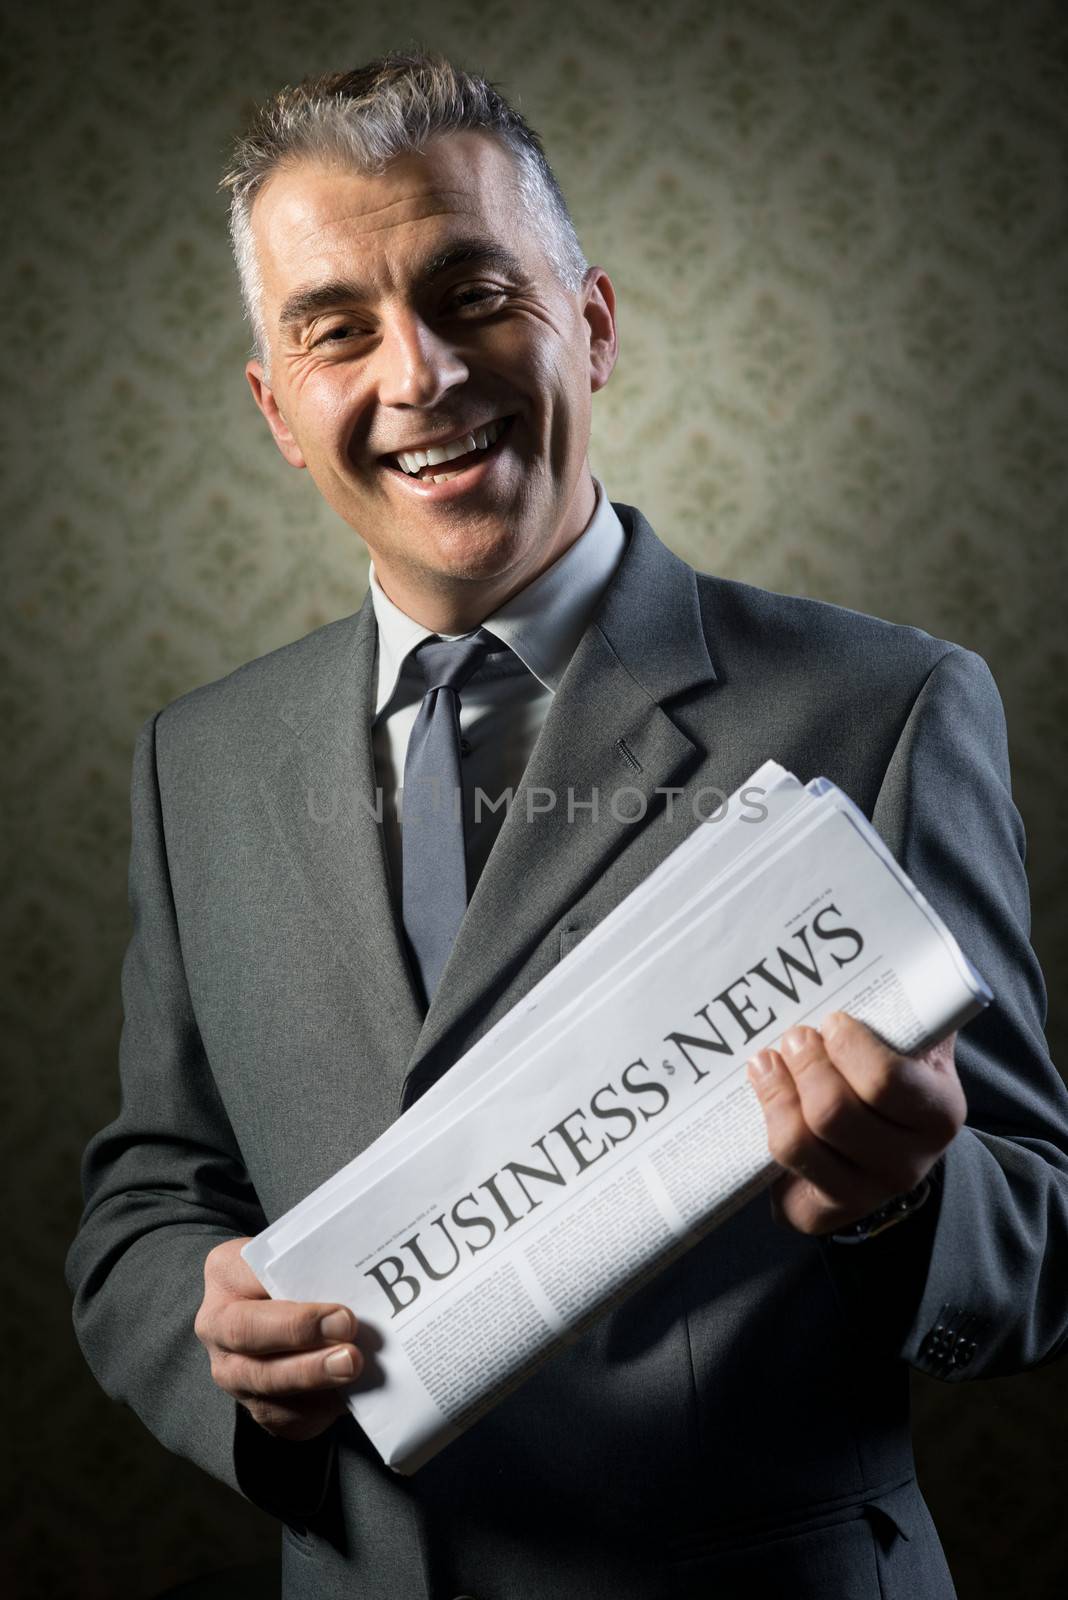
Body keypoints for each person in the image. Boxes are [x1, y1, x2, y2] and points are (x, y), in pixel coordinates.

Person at [67, 52, 1068, 1600]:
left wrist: (911, 1202)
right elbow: (151, 1196)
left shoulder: (888, 705)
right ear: (277, 406)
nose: (420, 375)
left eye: (473, 294)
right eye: (338, 331)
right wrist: (219, 1357)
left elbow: (1045, 1237)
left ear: (591, 327)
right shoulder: (194, 760)